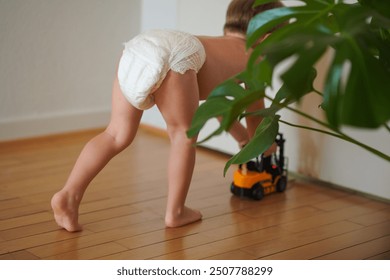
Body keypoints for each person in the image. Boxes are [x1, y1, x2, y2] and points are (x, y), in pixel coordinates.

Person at [51, 0, 283, 232]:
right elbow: (256, 116)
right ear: (266, 38)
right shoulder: (255, 60)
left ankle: (68, 195)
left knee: (115, 134)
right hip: (177, 56)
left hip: (138, 47)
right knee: (184, 135)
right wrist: (264, 146)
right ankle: (176, 212)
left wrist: (241, 138)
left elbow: (217, 104)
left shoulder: (218, 46)